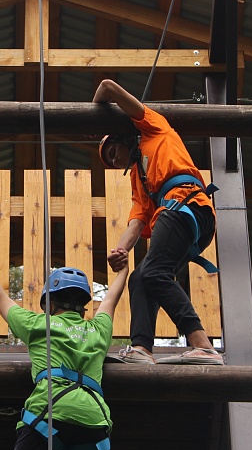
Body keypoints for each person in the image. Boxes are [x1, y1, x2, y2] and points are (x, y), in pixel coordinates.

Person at [93, 78, 224, 366]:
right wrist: (121, 250)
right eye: (110, 162)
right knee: (141, 277)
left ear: (125, 138)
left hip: (186, 203)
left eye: (113, 153)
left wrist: (93, 115)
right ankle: (141, 348)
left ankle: (202, 345)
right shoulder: (139, 181)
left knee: (153, 272)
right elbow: (137, 221)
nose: (115, 162)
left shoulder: (154, 129)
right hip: (183, 215)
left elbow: (108, 86)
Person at [0, 247, 128, 450]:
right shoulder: (98, 330)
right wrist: (123, 270)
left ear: (50, 305)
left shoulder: (39, 325)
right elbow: (111, 299)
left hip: (51, 411)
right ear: (83, 307)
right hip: (94, 419)